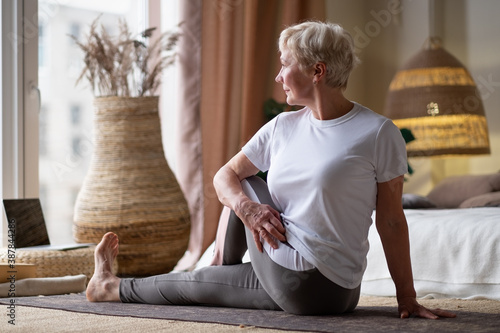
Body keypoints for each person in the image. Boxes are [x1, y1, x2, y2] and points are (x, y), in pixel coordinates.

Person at [86, 21, 456, 319]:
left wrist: (406, 298)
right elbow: (222, 177)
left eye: (285, 64)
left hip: (314, 282)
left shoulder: (377, 132)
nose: (279, 76)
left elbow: (391, 220)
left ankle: (114, 285)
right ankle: (191, 272)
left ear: (317, 71)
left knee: (202, 273)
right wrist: (249, 209)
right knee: (211, 256)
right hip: (324, 290)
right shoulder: (283, 126)